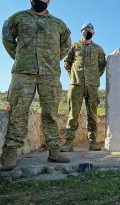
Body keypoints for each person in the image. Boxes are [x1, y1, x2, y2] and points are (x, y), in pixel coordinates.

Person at [1, 0, 71, 171]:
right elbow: (7, 38)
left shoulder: (59, 24)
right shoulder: (17, 18)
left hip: (50, 74)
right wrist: (21, 56)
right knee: (18, 110)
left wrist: (51, 60)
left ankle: (54, 151)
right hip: (23, 72)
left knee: (51, 113)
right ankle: (10, 151)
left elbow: (66, 46)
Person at [60, 23, 106, 152]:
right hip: (76, 85)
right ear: (81, 32)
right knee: (73, 114)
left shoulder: (98, 49)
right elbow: (67, 63)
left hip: (92, 86)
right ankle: (69, 143)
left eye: (90, 30)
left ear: (94, 32)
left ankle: (93, 142)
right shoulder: (74, 46)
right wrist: (74, 76)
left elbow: (102, 66)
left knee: (92, 114)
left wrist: (95, 77)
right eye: (86, 30)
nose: (88, 31)